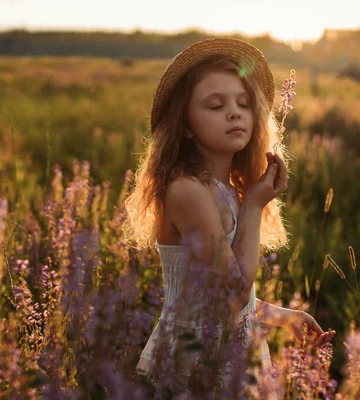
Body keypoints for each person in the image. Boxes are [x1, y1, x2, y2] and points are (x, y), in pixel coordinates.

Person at [122, 38, 336, 398]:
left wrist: (284, 316)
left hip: (232, 350)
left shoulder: (231, 189)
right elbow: (232, 294)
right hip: (195, 359)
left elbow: (236, 302)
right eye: (215, 105)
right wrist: (253, 204)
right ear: (186, 124)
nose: (235, 113)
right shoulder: (187, 190)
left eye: (243, 103)